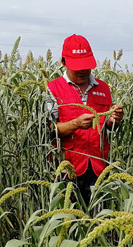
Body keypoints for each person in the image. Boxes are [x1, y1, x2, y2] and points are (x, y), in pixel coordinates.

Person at [46, 34, 124, 205]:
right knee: (68, 216)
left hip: (99, 168)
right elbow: (49, 130)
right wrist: (76, 124)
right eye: (77, 67)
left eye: (86, 66)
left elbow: (107, 127)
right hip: (66, 170)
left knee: (98, 216)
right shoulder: (52, 89)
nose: (82, 71)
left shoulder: (103, 88)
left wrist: (114, 120)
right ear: (64, 63)